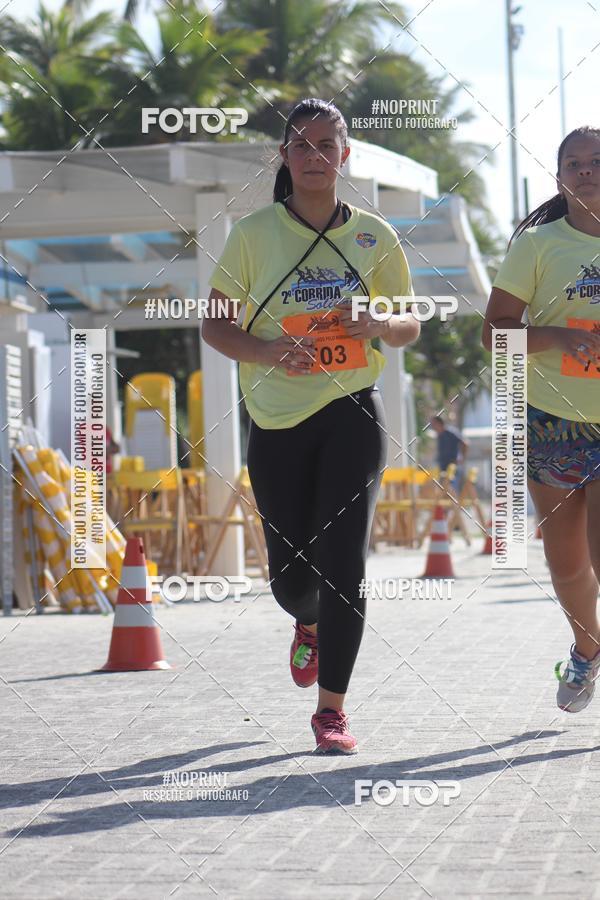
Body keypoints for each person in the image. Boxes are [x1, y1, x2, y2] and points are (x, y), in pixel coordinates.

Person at [202, 98, 420, 753]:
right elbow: (214, 325)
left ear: (344, 155)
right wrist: (266, 351)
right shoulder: (252, 235)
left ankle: (332, 711)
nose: (316, 157)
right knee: (294, 579)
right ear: (285, 157)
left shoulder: (375, 237)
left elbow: (410, 322)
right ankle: (307, 622)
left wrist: (380, 325)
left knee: (344, 563)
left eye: (328, 145)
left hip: (352, 411)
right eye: (303, 145)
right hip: (275, 419)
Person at [482, 125, 600, 713]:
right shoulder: (536, 246)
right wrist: (555, 334)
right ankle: (586, 648)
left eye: (595, 161)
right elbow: (493, 335)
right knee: (567, 564)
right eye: (573, 163)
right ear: (559, 177)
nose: (585, 171)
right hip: (552, 421)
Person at [429, 415, 468, 490]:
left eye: (433, 424)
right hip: (443, 467)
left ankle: (454, 501)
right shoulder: (440, 435)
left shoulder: (450, 433)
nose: (432, 426)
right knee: (444, 489)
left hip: (452, 466)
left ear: (439, 423)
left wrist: (462, 457)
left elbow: (465, 444)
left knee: (451, 488)